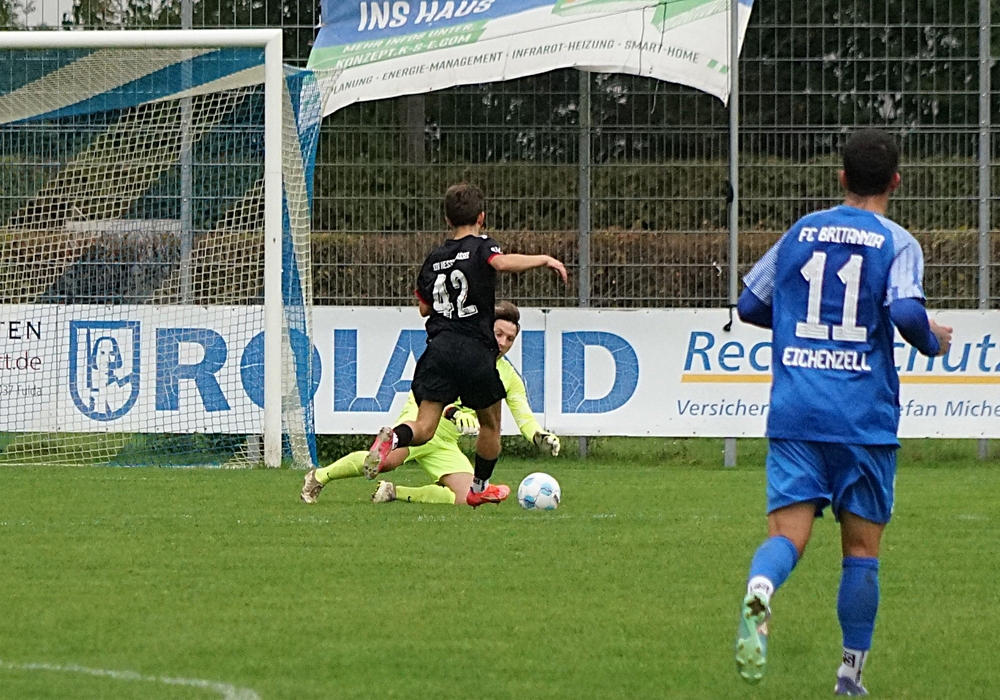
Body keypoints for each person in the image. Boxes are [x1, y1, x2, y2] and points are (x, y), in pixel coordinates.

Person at [733, 129, 952, 696]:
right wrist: (933, 340)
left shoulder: (802, 231)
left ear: (842, 178)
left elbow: (750, 302)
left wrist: (798, 322)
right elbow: (907, 313)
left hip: (797, 411)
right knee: (860, 552)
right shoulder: (897, 241)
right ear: (896, 182)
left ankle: (761, 588)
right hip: (862, 417)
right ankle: (850, 676)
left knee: (787, 536)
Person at [362, 183, 566, 507]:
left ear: (447, 219)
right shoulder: (483, 246)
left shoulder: (433, 258)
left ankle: (393, 438)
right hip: (474, 349)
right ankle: (479, 486)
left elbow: (424, 308)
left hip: (438, 348)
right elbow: (500, 264)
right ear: (481, 217)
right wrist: (543, 259)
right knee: (490, 425)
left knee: (423, 427)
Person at [300, 301, 561, 506]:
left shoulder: (508, 376)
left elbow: (522, 413)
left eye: (510, 339)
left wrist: (539, 435)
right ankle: (319, 477)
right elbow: (436, 393)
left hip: (446, 442)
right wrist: (452, 412)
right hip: (421, 423)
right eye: (498, 333)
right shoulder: (459, 354)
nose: (503, 343)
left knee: (466, 497)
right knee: (385, 462)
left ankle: (394, 492)